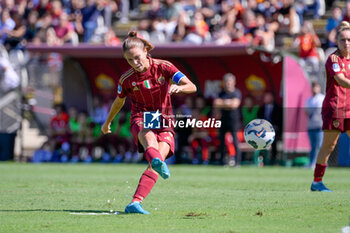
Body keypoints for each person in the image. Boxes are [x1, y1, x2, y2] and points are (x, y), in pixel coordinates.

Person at [101, 31, 196, 214]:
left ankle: (135, 203)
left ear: (146, 51)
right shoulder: (127, 79)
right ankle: (154, 162)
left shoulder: (164, 67)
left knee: (156, 161)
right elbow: (119, 101)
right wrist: (107, 122)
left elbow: (192, 86)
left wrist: (180, 87)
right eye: (129, 60)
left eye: (137, 58)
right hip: (142, 116)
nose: (135, 63)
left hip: (165, 118)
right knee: (151, 144)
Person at [310, 21, 350, 192]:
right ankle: (317, 182)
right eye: (343, 40)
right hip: (335, 108)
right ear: (337, 42)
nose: (346, 43)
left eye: (349, 40)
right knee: (329, 146)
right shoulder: (333, 59)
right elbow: (340, 80)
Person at [213, 73, 242, 166]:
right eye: (226, 82)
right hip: (223, 120)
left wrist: (223, 103)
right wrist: (228, 103)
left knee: (235, 142)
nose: (228, 84)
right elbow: (216, 103)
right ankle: (222, 161)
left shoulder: (237, 93)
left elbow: (235, 105)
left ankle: (237, 162)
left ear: (234, 82)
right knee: (221, 142)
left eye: (230, 82)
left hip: (234, 121)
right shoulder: (221, 93)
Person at [257, 91, 283, 165]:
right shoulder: (261, 109)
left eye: (268, 97)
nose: (267, 99)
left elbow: (279, 121)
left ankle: (273, 159)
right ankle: (261, 159)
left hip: (274, 130)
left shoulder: (278, 108)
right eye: (266, 97)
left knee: (274, 140)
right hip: (263, 130)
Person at [305, 82, 325, 168]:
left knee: (320, 146)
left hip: (319, 126)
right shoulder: (309, 99)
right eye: (313, 87)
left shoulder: (322, 98)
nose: (314, 89)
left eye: (316, 87)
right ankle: (312, 163)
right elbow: (306, 111)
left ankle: (322, 164)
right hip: (311, 125)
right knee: (312, 146)